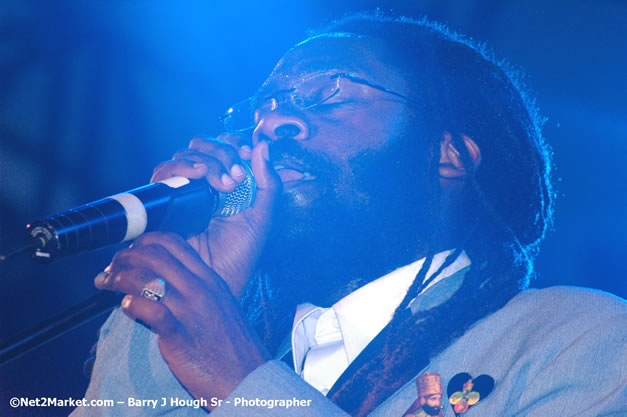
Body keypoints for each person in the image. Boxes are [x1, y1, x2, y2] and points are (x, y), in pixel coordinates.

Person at [72, 13, 626, 417]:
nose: (273, 123)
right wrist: (182, 292)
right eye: (263, 106)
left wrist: (242, 384)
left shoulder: (583, 340)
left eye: (328, 94)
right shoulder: (245, 337)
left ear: (448, 154)